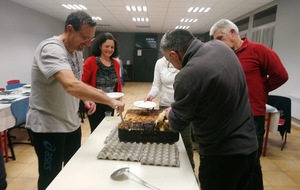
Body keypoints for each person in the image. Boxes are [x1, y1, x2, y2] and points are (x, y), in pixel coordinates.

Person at [26, 11, 125, 190]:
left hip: (71, 123)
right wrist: (108, 100)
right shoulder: (51, 48)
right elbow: (70, 85)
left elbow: (78, 84)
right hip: (49, 126)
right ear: (70, 29)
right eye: (85, 37)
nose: (88, 43)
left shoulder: (76, 52)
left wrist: (85, 99)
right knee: (51, 177)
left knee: (73, 170)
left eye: (91, 39)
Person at [160, 29, 258, 190]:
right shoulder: (221, 47)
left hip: (221, 156)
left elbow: (177, 124)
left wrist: (171, 113)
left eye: (169, 60)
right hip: (249, 146)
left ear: (174, 55)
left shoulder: (187, 74)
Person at [209, 19, 289, 190]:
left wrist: (262, 88)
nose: (218, 44)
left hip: (252, 116)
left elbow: (281, 75)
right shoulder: (224, 55)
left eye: (220, 38)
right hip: (229, 117)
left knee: (251, 163)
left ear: (232, 32)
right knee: (232, 160)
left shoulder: (257, 50)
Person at [144, 56, 194, 169]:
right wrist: (151, 94)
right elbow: (156, 85)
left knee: (185, 140)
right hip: (164, 106)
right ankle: (166, 167)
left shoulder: (185, 60)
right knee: (165, 139)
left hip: (182, 107)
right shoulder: (160, 63)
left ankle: (190, 167)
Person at [82, 32, 123, 132]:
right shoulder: (91, 61)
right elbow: (82, 83)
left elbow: (118, 85)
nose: (109, 49)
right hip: (95, 103)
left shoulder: (116, 63)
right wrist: (87, 99)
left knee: (107, 130)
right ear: (100, 46)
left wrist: (120, 101)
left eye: (112, 47)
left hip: (110, 103)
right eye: (107, 46)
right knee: (96, 132)